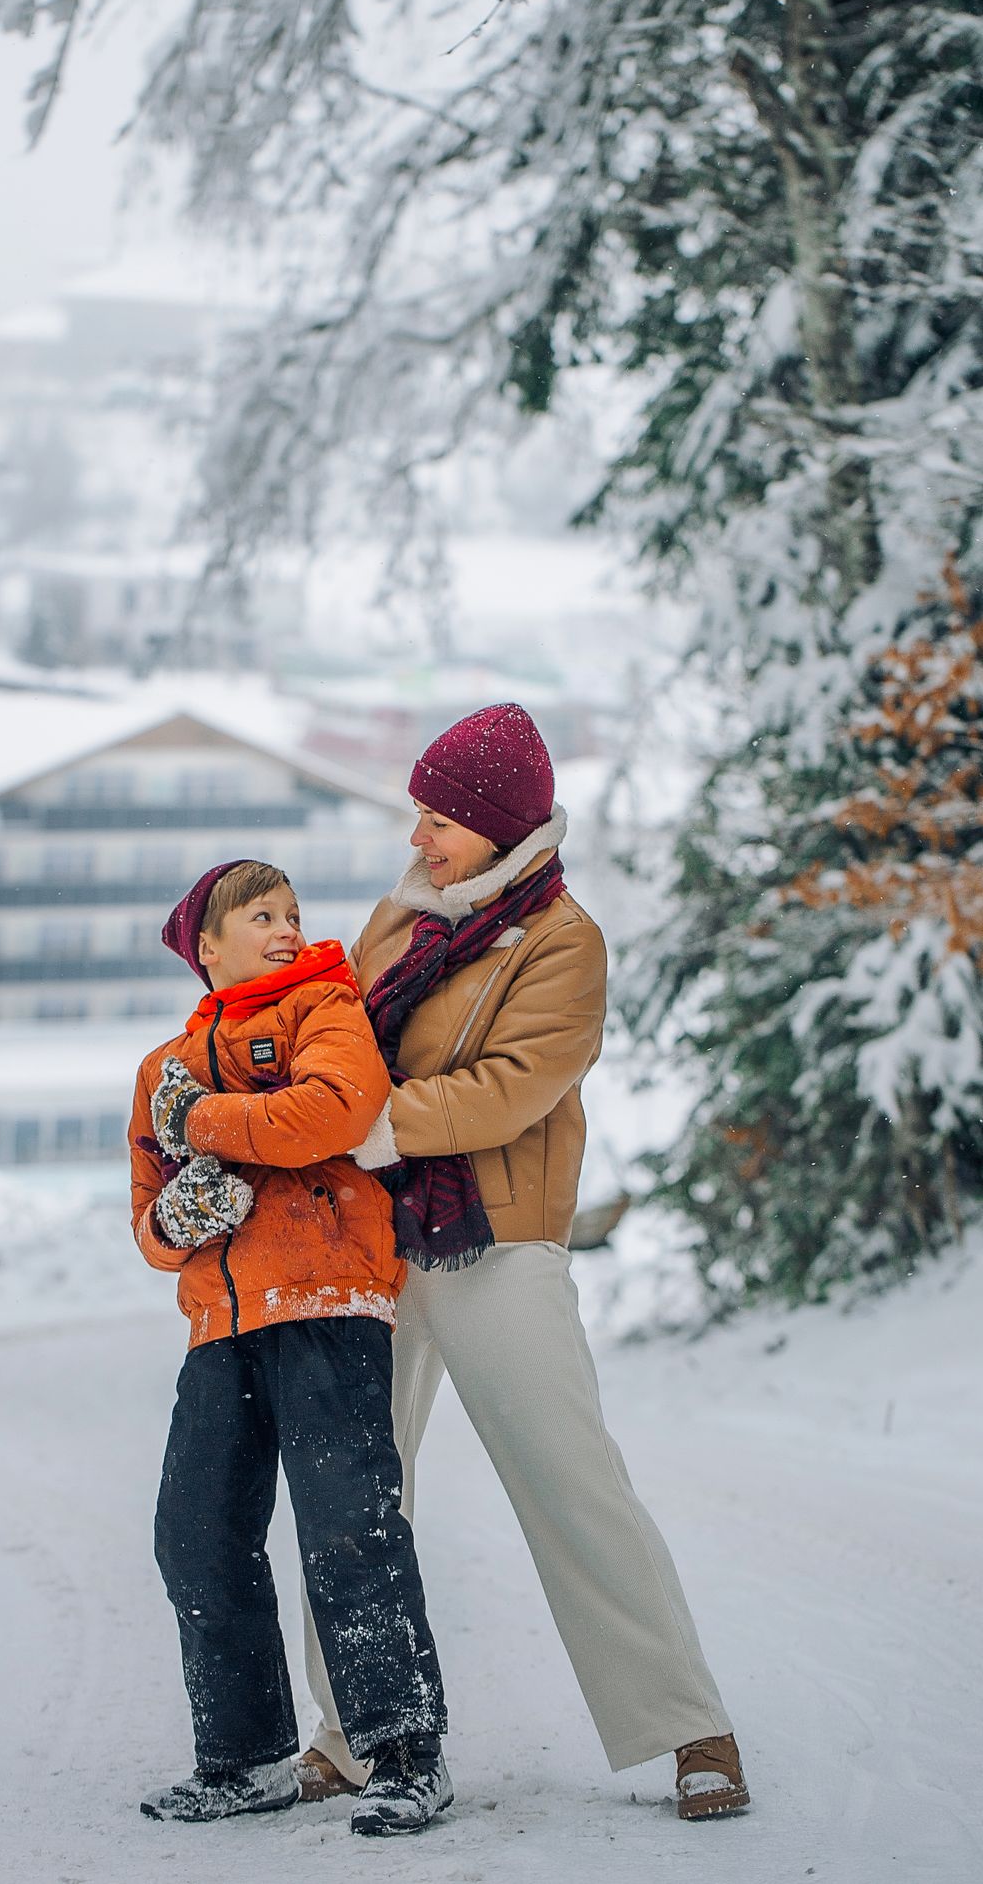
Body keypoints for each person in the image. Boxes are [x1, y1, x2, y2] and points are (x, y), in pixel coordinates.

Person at [297, 705, 750, 1825]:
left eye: (439, 819)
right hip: (371, 1239)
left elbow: (514, 1087)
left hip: (492, 1240)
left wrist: (372, 1123)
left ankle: (688, 1725)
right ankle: (351, 1734)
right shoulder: (399, 918)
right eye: (416, 813)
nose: (418, 836)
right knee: (354, 1489)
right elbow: (338, 1037)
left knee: (567, 1478)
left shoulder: (562, 941)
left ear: (499, 827)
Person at [128, 858, 453, 1835]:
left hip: (327, 1305)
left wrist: (205, 1123)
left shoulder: (324, 1006)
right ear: (207, 947)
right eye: (260, 917)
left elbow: (334, 1111)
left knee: (348, 1528)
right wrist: (179, 1219)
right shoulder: (160, 1070)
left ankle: (407, 1755)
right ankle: (243, 1759)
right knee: (195, 1533)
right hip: (220, 1326)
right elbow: (147, 1218)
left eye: (291, 913)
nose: (285, 930)